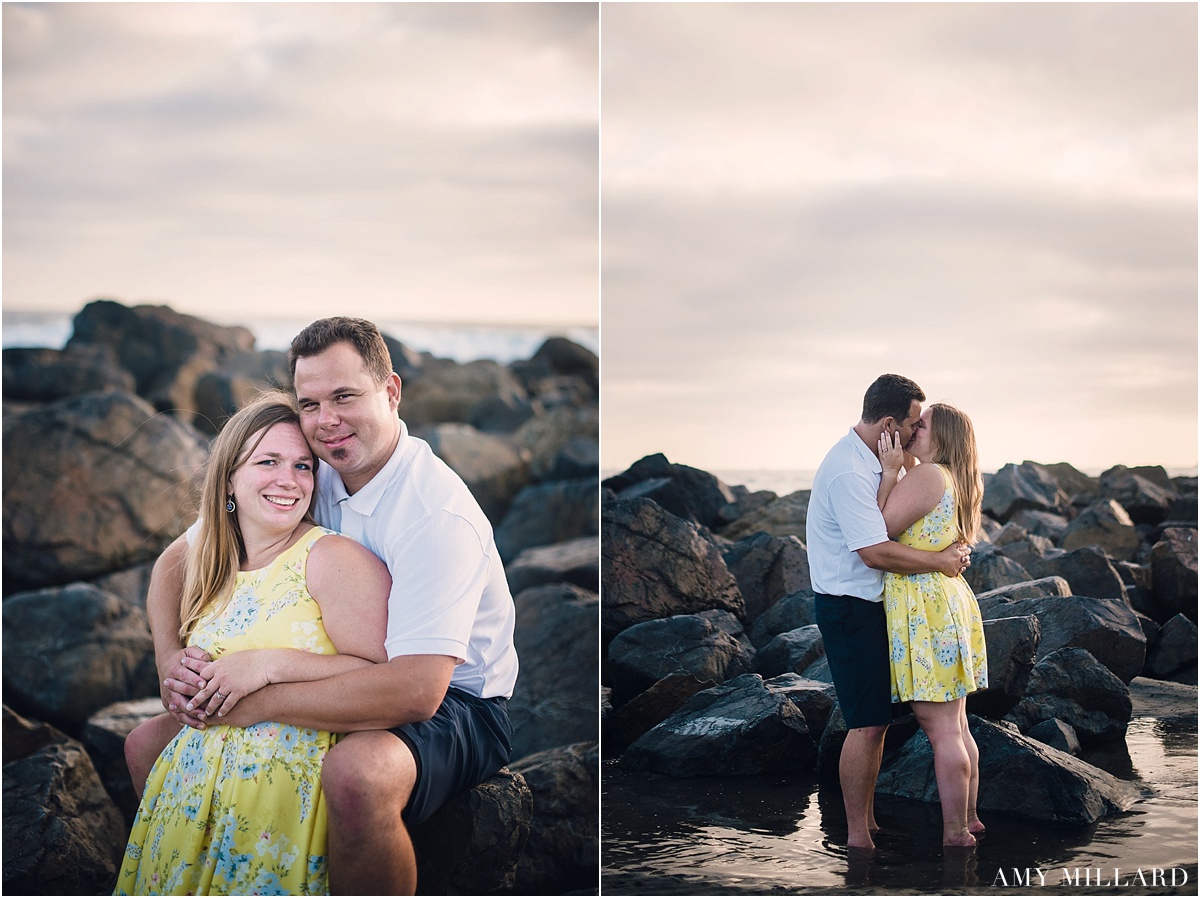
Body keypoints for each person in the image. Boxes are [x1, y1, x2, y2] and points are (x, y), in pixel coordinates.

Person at [124, 317, 519, 895]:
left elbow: (416, 691)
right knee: (148, 744)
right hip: (348, 668)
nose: (326, 420)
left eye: (344, 396)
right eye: (309, 403)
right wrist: (170, 660)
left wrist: (259, 691)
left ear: (391, 391)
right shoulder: (311, 470)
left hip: (459, 702)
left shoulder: (435, 515)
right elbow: (173, 563)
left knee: (356, 777)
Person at [115, 393, 391, 894]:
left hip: (281, 799)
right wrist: (168, 658)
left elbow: (378, 671)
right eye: (268, 462)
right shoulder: (212, 554)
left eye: (303, 466)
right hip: (190, 796)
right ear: (229, 482)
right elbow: (165, 570)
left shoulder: (331, 559)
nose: (289, 480)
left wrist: (270, 663)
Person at [806, 373, 971, 852]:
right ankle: (858, 838)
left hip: (878, 605)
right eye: (913, 422)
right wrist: (942, 561)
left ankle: (871, 825)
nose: (917, 430)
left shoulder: (875, 463)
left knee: (878, 722)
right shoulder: (848, 472)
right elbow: (875, 552)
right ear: (887, 423)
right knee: (867, 723)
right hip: (849, 607)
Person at [876, 402, 988, 847]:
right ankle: (971, 817)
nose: (912, 429)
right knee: (957, 725)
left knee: (941, 730)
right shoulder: (958, 480)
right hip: (945, 603)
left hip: (924, 607)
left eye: (921, 426)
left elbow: (878, 530)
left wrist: (889, 474)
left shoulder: (928, 476)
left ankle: (956, 833)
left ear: (942, 438)